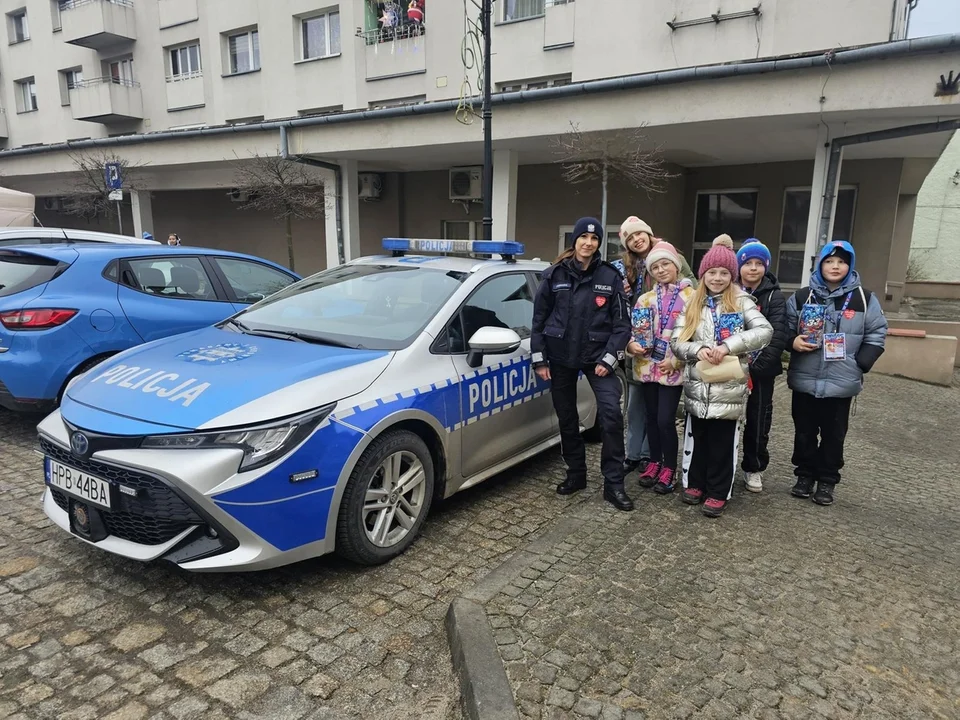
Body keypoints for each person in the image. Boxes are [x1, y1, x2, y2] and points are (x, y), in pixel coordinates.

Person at [532, 217, 635, 511]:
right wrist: (539, 360)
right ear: (575, 241)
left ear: (599, 243)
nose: (588, 243)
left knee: (612, 416)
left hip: (596, 359)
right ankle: (576, 474)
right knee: (567, 418)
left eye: (594, 239)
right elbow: (538, 321)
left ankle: (613, 484)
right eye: (583, 238)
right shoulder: (553, 275)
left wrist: (608, 358)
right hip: (560, 357)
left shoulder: (610, 277)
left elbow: (622, 326)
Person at [671, 236, 772, 518]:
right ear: (703, 274)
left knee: (722, 442)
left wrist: (729, 346)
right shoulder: (692, 302)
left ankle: (718, 491)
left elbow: (764, 332)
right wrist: (699, 349)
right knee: (696, 438)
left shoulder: (741, 301)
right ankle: (694, 484)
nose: (717, 278)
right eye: (712, 272)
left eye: (724, 273)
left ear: (732, 275)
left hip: (727, 389)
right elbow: (676, 342)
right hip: (697, 387)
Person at [784, 240, 887, 506]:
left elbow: (877, 332)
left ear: (849, 265)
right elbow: (783, 328)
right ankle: (804, 475)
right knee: (804, 432)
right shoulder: (802, 296)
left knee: (834, 434)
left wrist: (860, 363)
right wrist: (792, 342)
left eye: (841, 261)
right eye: (829, 261)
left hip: (842, 381)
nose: (835, 266)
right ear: (820, 265)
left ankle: (827, 480)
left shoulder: (865, 298)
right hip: (806, 378)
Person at [611, 217, 696, 477]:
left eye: (640, 234)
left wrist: (679, 361)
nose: (660, 270)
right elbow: (632, 324)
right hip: (646, 363)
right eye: (630, 237)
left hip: (672, 364)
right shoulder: (641, 292)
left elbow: (695, 331)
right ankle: (649, 460)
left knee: (664, 419)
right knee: (643, 412)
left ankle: (666, 465)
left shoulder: (690, 294)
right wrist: (629, 345)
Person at [736, 239, 788, 493]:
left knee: (758, 419)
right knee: (727, 417)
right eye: (747, 263)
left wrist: (758, 366)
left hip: (762, 370)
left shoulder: (775, 297)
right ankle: (724, 464)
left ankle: (754, 467)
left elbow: (778, 333)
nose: (753, 268)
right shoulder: (730, 292)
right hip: (732, 368)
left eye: (759, 264)